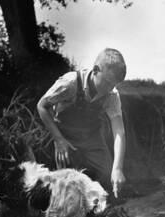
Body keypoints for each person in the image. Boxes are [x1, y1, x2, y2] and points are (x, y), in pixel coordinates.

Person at [37, 48, 127, 198]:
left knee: (106, 176)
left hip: (92, 138)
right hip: (66, 137)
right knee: (67, 184)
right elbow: (41, 106)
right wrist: (59, 139)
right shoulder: (70, 83)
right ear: (96, 70)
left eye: (113, 85)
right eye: (106, 83)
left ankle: (97, 212)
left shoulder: (112, 95)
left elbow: (119, 132)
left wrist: (118, 168)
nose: (109, 89)